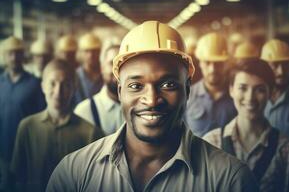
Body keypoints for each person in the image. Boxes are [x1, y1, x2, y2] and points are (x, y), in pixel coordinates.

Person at [46, 21, 258, 192]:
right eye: (136, 85)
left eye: (168, 85)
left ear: (188, 90)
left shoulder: (230, 180)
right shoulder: (74, 174)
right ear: (120, 92)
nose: (152, 99)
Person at [203, 58, 289, 192]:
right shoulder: (211, 144)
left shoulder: (288, 152)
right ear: (231, 90)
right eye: (243, 88)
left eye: (259, 90)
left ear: (270, 92)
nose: (250, 98)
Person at [10, 59, 104, 192]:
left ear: (74, 88)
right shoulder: (27, 127)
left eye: (65, 85)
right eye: (52, 84)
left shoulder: (90, 133)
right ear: (42, 86)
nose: (58, 92)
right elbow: (18, 179)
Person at [0, 36, 46, 164]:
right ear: (4, 56)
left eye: (18, 53)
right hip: (2, 151)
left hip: (26, 149)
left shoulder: (35, 84)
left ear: (23, 55)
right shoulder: (0, 83)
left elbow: (41, 118)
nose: (14, 58)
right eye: (10, 53)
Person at [185, 32, 236, 137]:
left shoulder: (237, 96)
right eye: (207, 63)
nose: (212, 69)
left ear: (226, 63)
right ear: (200, 63)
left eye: (218, 63)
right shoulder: (187, 96)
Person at [74, 37, 124, 135]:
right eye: (111, 63)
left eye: (122, 64)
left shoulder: (142, 108)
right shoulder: (83, 112)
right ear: (102, 68)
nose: (117, 69)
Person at [261, 39, 289, 145]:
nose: (281, 71)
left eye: (286, 65)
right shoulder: (254, 100)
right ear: (264, 67)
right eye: (275, 65)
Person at [74, 33, 103, 104]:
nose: (91, 55)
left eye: (94, 51)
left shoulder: (106, 74)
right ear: (81, 53)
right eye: (87, 51)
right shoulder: (74, 76)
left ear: (100, 51)